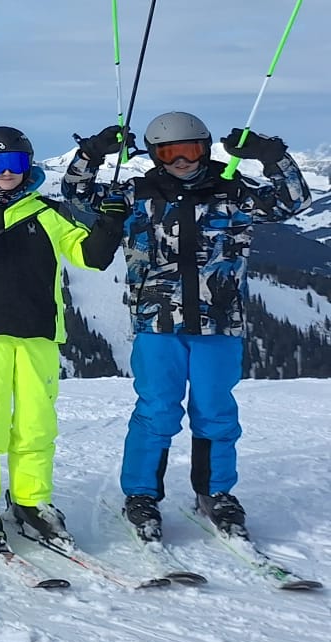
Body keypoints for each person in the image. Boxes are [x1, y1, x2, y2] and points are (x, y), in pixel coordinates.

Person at [64, 111, 307, 541]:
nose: (182, 161)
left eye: (191, 150)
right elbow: (76, 196)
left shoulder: (232, 190)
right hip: (157, 323)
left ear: (207, 148)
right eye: (169, 152)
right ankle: (141, 494)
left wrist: (273, 156)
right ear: (156, 155)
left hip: (220, 323)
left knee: (216, 412)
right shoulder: (136, 193)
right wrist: (92, 153)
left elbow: (292, 201)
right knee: (156, 410)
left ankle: (216, 492)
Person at [0, 127, 126, 544]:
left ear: (28, 165)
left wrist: (110, 223)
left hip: (39, 334)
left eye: (15, 164)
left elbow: (91, 256)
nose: (7, 173)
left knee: (37, 424)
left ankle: (31, 500)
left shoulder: (46, 213)